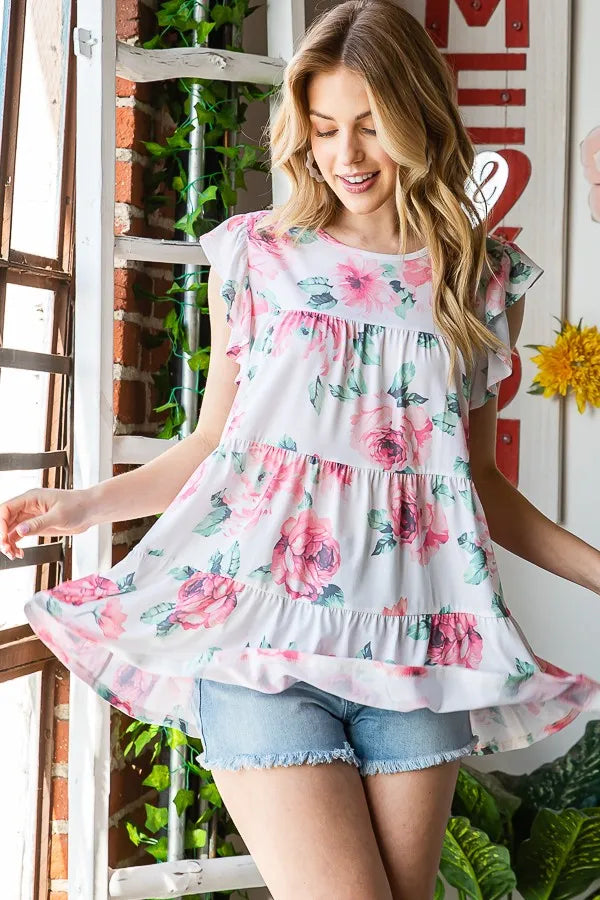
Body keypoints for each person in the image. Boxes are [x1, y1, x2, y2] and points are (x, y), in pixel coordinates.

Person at [2, 2, 600, 897]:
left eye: (371, 125)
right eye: (324, 129)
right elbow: (216, 447)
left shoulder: (477, 278)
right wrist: (82, 504)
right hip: (261, 648)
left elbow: (478, 485)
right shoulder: (259, 257)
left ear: (420, 119)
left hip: (418, 652)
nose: (346, 155)